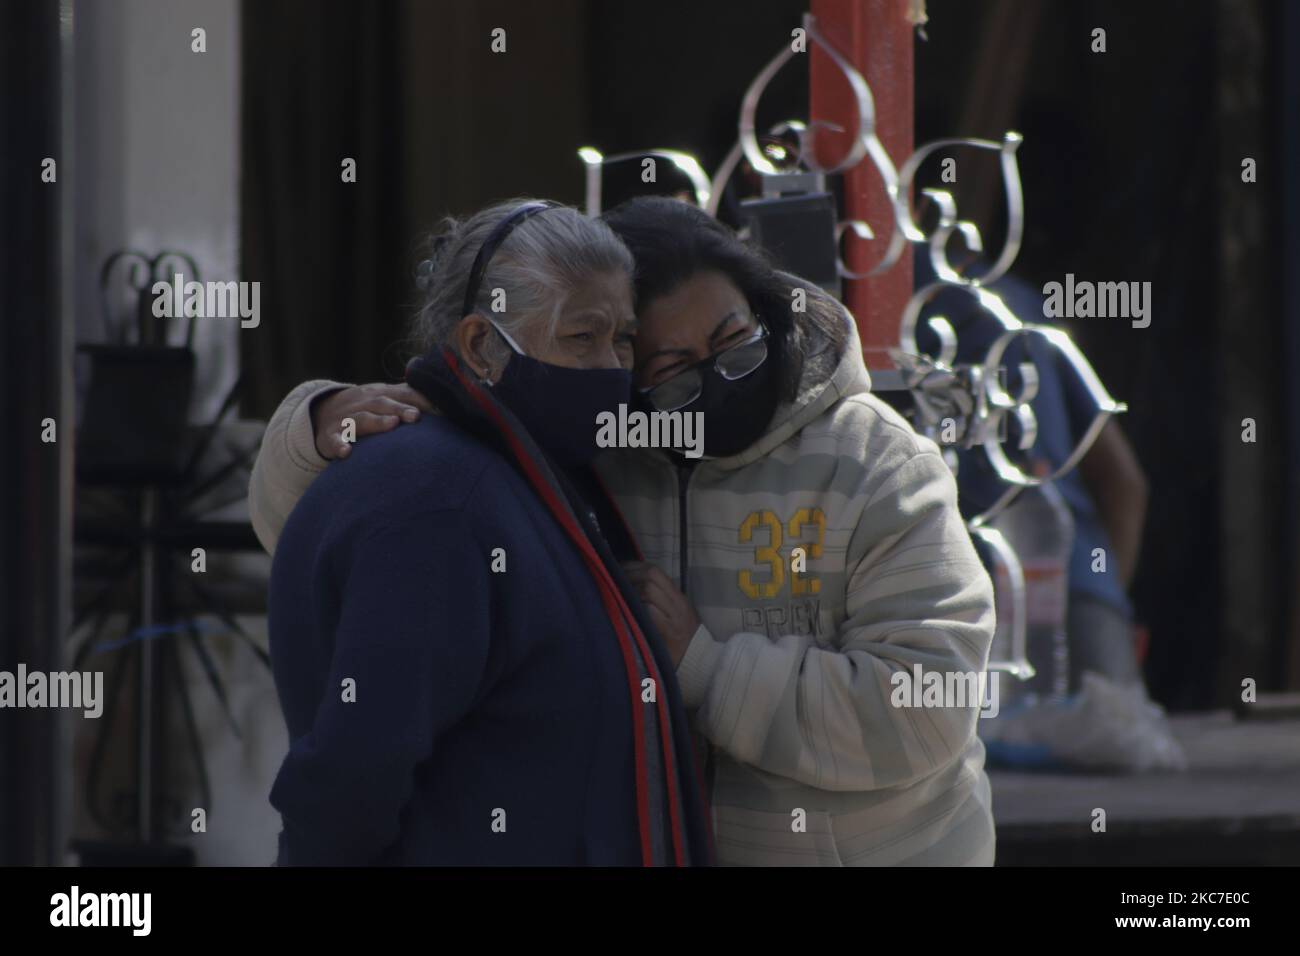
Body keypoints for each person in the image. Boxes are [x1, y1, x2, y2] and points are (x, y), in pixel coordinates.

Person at [252, 196, 997, 866]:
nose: (717, 375)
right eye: (668, 365)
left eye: (735, 339)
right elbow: (348, 527)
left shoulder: (874, 461)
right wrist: (312, 428)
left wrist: (704, 667)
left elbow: (928, 705)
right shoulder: (590, 453)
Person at [258, 198, 712, 866]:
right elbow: (348, 783)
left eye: (622, 339)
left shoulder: (531, 479)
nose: (613, 369)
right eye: (581, 337)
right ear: (480, 345)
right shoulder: (438, 500)